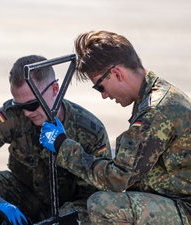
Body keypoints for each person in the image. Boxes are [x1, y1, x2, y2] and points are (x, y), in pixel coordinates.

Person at [39, 30, 191, 225]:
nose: (103, 95)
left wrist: (62, 145)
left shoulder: (156, 110)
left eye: (100, 87)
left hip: (183, 207)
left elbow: (118, 179)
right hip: (169, 199)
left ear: (116, 74)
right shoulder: (153, 94)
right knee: (80, 216)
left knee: (102, 205)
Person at [0, 54, 111, 225]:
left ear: (55, 89)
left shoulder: (90, 130)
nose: (27, 113)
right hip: (25, 197)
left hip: (71, 208)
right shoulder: (14, 115)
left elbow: (96, 193)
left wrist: (62, 219)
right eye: (20, 106)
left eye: (31, 105)